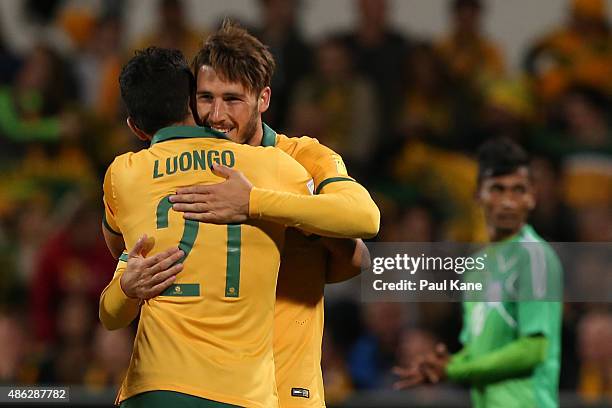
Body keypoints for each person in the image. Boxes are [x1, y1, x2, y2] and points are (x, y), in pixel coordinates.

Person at [140, 21, 380, 407]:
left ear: (263, 99)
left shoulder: (302, 156)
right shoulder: (181, 167)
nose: (216, 115)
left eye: (232, 99)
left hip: (289, 387)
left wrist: (254, 203)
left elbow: (364, 221)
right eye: (205, 97)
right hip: (209, 386)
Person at [99, 47, 314, 407]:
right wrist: (257, 203)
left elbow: (110, 312)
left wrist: (126, 287)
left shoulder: (123, 174)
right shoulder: (272, 166)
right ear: (196, 103)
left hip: (154, 390)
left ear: (135, 127)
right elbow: (360, 225)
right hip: (244, 395)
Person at [394, 138, 563, 408]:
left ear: (532, 197)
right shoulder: (476, 267)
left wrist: (454, 370)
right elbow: (479, 350)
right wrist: (443, 365)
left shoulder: (535, 257)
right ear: (477, 196)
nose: (508, 202)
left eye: (518, 190)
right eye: (497, 189)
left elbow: (533, 349)